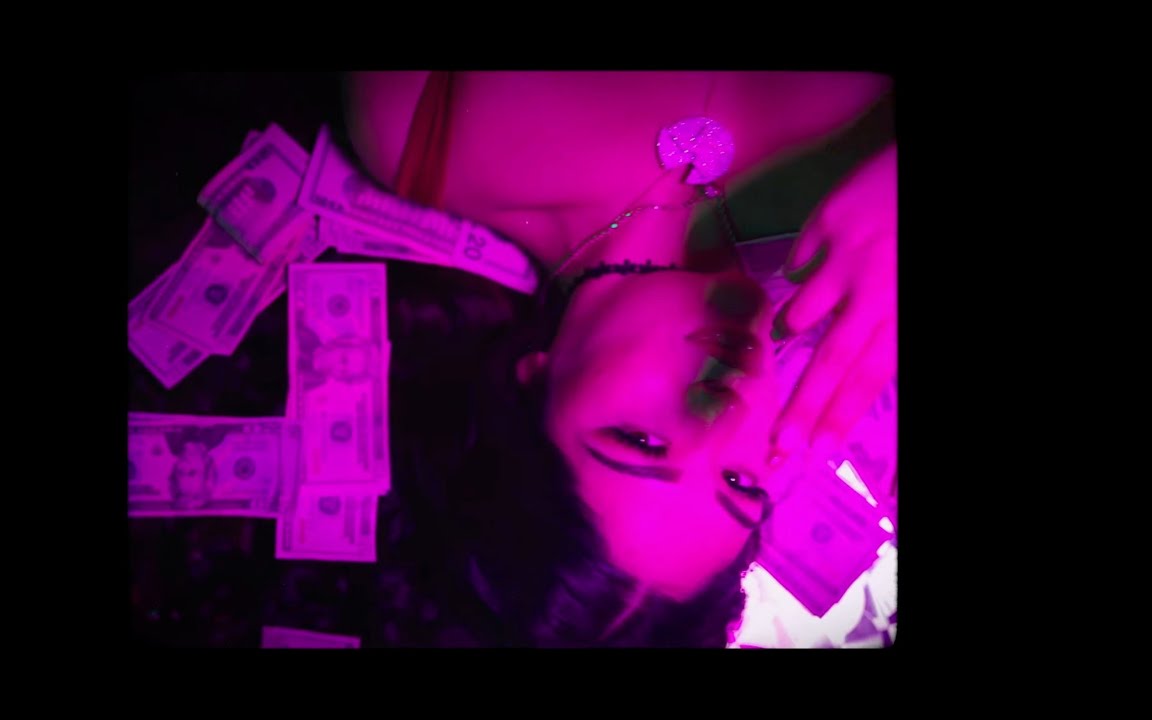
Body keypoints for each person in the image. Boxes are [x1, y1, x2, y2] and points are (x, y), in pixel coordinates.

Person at [341, 71, 896, 646]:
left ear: (528, 386)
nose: (722, 413)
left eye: (642, 441)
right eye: (737, 480)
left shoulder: (424, 121)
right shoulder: (830, 273)